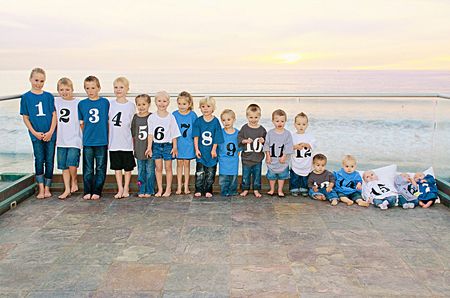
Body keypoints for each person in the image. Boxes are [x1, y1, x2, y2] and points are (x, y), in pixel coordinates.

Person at [20, 68, 57, 199]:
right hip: (36, 135)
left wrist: (51, 132)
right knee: (39, 159)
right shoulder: (26, 97)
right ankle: (40, 187)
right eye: (36, 80)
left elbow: (54, 115)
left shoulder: (48, 96)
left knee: (50, 160)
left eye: (41, 81)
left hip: (50, 134)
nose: (38, 83)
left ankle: (47, 187)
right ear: (30, 79)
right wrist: (34, 132)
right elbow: (25, 117)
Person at [78, 76, 110, 200]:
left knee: (101, 167)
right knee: (88, 168)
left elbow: (107, 121)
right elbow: (82, 123)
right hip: (88, 141)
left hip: (102, 140)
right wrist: (87, 134)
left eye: (93, 87)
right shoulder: (82, 104)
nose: (90, 90)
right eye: (87, 88)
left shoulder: (105, 102)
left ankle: (97, 190)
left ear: (99, 88)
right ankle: (87, 190)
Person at [145, 91, 180, 197]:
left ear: (168, 102)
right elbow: (150, 134)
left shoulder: (171, 117)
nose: (162, 103)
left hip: (167, 145)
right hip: (156, 145)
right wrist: (149, 147)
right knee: (158, 168)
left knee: (168, 167)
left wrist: (175, 147)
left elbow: (174, 133)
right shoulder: (152, 117)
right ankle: (160, 189)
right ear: (155, 102)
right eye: (159, 101)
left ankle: (168, 189)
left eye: (164, 101)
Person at [54, 77, 82, 199]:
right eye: (61, 90)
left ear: (72, 89)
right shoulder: (56, 101)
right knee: (63, 166)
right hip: (61, 139)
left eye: (67, 89)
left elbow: (82, 122)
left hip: (75, 139)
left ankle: (74, 181)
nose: (64, 92)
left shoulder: (78, 103)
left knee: (72, 163)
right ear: (58, 91)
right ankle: (66, 189)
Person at [109, 77, 136, 199]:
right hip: (114, 142)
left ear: (127, 89)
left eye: (121, 87)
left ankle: (126, 187)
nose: (118, 90)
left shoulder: (131, 106)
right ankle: (120, 188)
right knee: (117, 167)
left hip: (126, 142)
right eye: (116, 87)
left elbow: (133, 124)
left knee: (128, 167)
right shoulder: (110, 104)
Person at [192, 96, 224, 198]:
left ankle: (208, 189)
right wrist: (196, 149)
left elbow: (217, 137)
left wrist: (214, 149)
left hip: (211, 152)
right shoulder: (198, 121)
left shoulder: (216, 121)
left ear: (213, 108)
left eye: (208, 106)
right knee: (199, 172)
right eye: (203, 106)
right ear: (200, 108)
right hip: (201, 151)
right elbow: (196, 136)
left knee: (210, 172)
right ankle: (198, 189)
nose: (205, 108)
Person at [237, 104, 266, 198]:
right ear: (247, 116)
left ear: (260, 116)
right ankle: (245, 189)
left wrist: (263, 141)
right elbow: (239, 138)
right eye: (251, 117)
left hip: (257, 158)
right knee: (246, 175)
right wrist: (245, 141)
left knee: (257, 175)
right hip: (246, 158)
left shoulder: (262, 129)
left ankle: (256, 189)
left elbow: (267, 142)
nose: (253, 119)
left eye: (256, 117)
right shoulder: (244, 128)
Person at [263, 109, 293, 197]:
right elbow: (267, 145)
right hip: (272, 159)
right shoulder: (270, 133)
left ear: (285, 121)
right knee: (271, 176)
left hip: (282, 160)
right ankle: (272, 189)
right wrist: (267, 155)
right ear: (273, 121)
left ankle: (280, 190)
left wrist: (284, 156)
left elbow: (289, 146)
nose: (280, 123)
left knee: (282, 176)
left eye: (282, 121)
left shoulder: (287, 134)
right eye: (277, 121)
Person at [173, 91, 197, 195]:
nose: (182, 106)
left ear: (189, 104)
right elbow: (172, 131)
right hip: (178, 144)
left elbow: (196, 131)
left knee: (186, 164)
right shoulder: (174, 114)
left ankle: (186, 186)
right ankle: (179, 186)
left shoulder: (192, 115)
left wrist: (196, 147)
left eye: (184, 104)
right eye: (179, 104)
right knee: (179, 164)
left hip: (189, 144)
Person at [132, 94, 155, 198]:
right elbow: (133, 134)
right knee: (140, 170)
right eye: (139, 104)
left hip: (150, 149)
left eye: (144, 104)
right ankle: (141, 189)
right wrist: (134, 148)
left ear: (149, 104)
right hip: (139, 149)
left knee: (150, 171)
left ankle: (150, 190)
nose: (141, 107)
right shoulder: (135, 117)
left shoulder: (152, 117)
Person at [289, 112, 316, 197]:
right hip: (296, 161)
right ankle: (294, 188)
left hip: (306, 162)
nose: (301, 126)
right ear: (295, 124)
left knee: (305, 178)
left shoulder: (310, 136)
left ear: (307, 125)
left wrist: (307, 145)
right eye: (299, 124)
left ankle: (304, 188)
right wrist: (295, 146)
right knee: (295, 177)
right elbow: (288, 147)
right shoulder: (292, 136)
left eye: (304, 124)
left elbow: (314, 145)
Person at [218, 109, 240, 196]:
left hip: (233, 160)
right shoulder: (221, 133)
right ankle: (224, 191)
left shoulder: (238, 133)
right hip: (223, 160)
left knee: (233, 177)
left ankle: (233, 191)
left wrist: (237, 153)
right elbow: (217, 145)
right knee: (223, 178)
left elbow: (240, 147)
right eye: (223, 120)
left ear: (234, 120)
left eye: (228, 119)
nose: (226, 122)